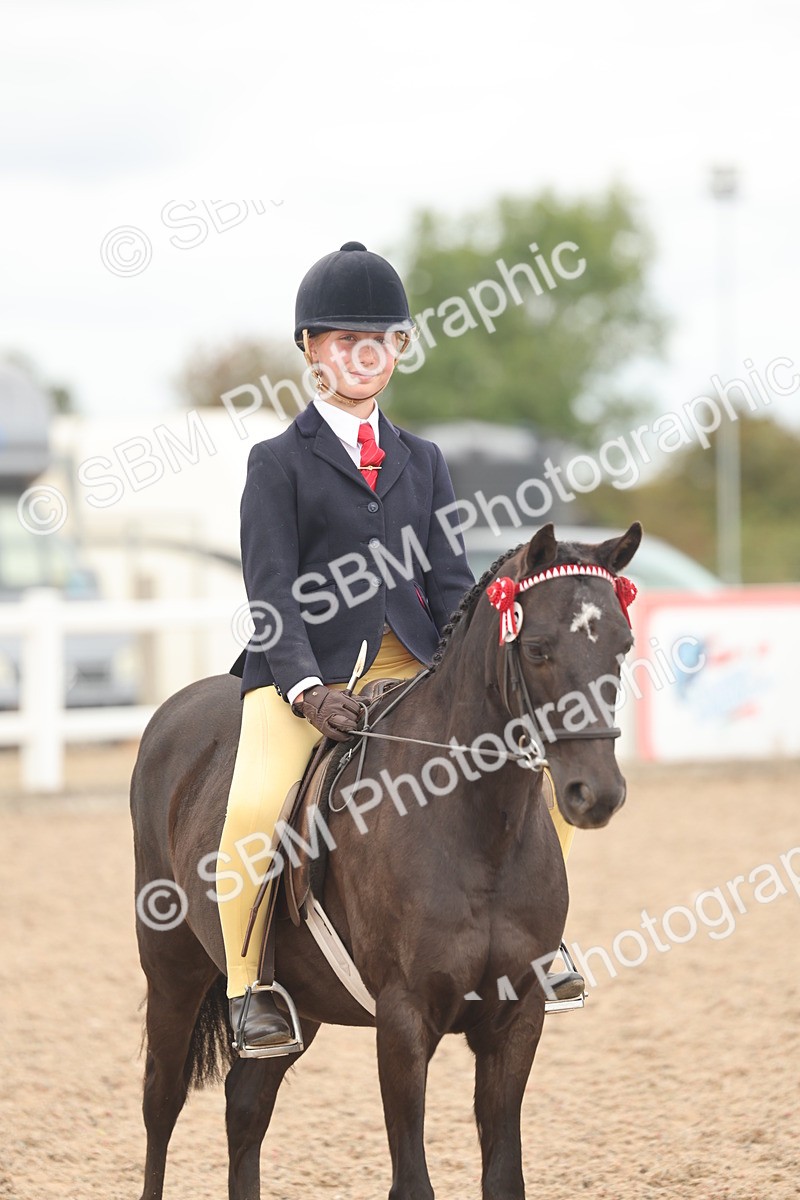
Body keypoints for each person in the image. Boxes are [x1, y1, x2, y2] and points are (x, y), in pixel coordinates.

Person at [217, 240, 582, 1056]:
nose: (363, 353)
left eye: (379, 339)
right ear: (311, 351)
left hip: (416, 666)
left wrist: (484, 669)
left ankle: (541, 947)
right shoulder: (276, 463)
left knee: (540, 780)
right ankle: (251, 991)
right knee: (250, 814)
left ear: (401, 349)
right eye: (345, 340)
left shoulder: (425, 460)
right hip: (307, 674)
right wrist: (307, 689)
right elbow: (271, 593)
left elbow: (451, 584)